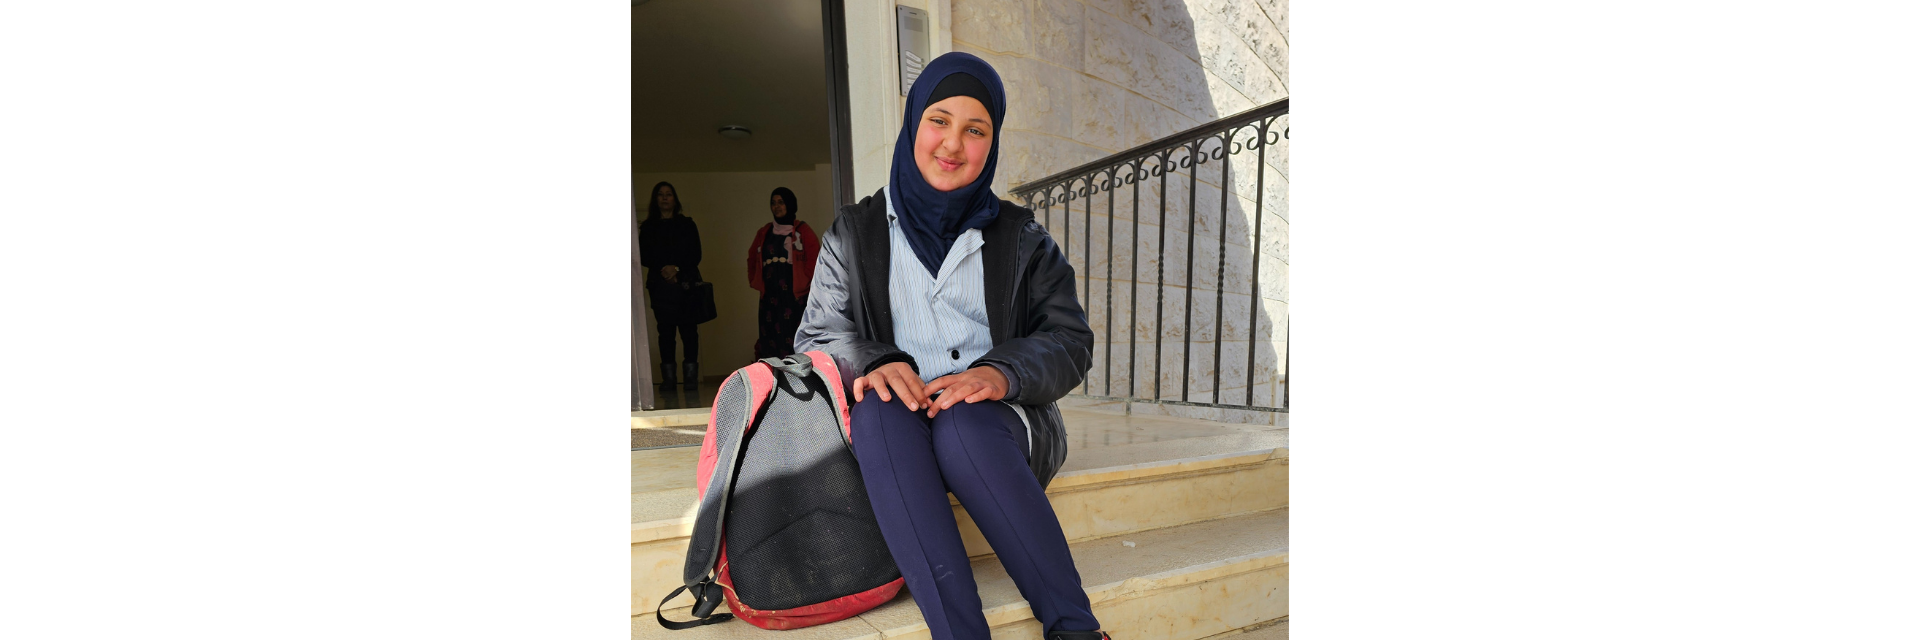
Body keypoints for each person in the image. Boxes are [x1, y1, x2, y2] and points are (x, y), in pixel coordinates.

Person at [794, 53, 1110, 640]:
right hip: (900, 424)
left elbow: (1070, 340)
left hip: (1000, 426)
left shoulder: (1024, 239)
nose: (952, 144)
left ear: (992, 144)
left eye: (975, 129)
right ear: (913, 123)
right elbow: (817, 336)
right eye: (939, 120)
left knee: (964, 426)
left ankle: (1076, 629)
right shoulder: (853, 233)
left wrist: (1002, 373)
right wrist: (873, 360)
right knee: (881, 412)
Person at [640, 181, 704, 390]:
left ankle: (691, 380)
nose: (665, 198)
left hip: (686, 285)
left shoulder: (687, 224)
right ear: (655, 199)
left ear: (675, 199)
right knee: (665, 333)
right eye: (660, 194)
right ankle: (668, 381)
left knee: (689, 331)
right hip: (660, 286)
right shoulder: (648, 227)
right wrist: (664, 269)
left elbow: (695, 254)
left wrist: (676, 269)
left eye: (669, 194)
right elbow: (644, 254)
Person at [749, 187, 821, 360]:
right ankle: (774, 381)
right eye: (773, 203)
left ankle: (797, 382)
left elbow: (815, 258)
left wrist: (804, 282)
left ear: (790, 204)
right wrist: (755, 281)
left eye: (781, 202)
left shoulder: (803, 231)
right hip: (769, 298)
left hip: (794, 297)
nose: (776, 206)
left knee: (793, 338)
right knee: (770, 338)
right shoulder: (764, 232)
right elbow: (752, 258)